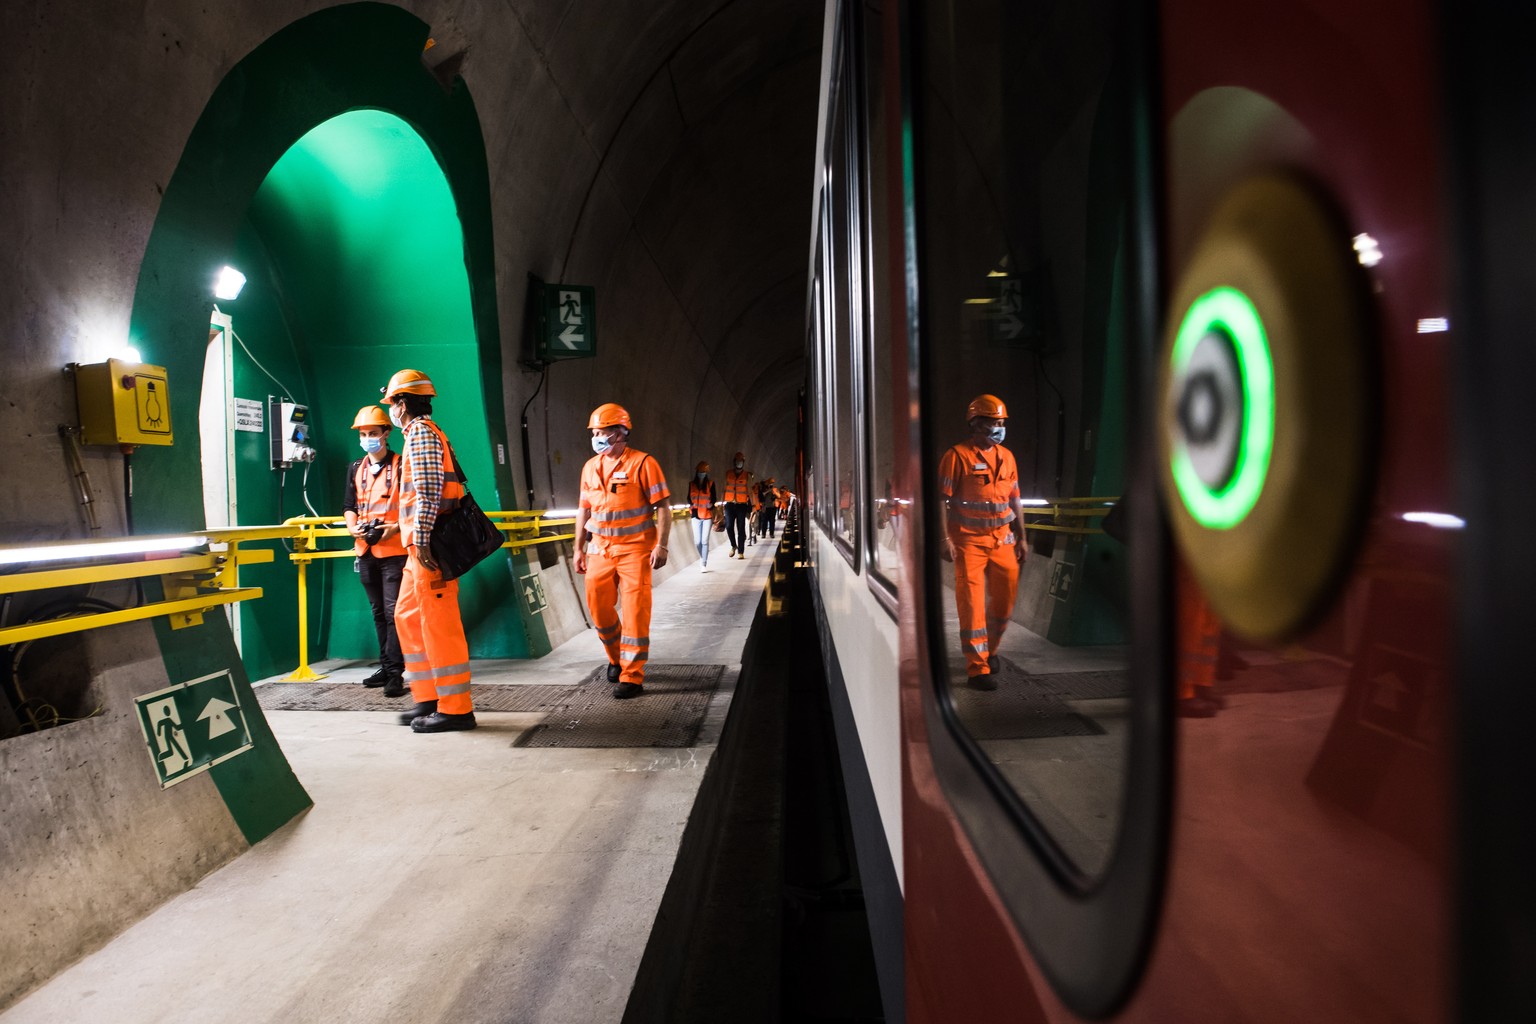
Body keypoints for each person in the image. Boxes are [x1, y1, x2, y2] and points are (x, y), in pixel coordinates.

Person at [380, 369, 476, 732]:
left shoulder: (420, 434)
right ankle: (428, 696)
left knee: (439, 625)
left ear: (402, 404)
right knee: (407, 616)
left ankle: (456, 709)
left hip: (428, 546)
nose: (391, 409)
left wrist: (420, 540)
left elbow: (429, 491)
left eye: (391, 402)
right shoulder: (419, 434)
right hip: (416, 549)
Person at [576, 404, 672, 698]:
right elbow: (583, 509)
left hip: (635, 551)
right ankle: (615, 658)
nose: (595, 438)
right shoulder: (590, 467)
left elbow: (663, 508)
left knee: (634, 613)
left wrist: (662, 544)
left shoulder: (643, 464)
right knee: (598, 608)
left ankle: (632, 676)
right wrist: (577, 547)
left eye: (600, 432)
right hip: (599, 550)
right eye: (593, 433)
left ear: (619, 434)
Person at [939, 394, 1029, 690]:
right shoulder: (956, 456)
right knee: (972, 605)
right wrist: (945, 538)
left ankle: (991, 651)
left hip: (1003, 540)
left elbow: (1016, 500)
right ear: (977, 424)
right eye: (994, 422)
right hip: (969, 542)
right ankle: (977, 668)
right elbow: (941, 500)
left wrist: (1023, 538)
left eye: (1002, 422)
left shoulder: (1008, 457)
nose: (1000, 427)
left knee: (1004, 603)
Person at [343, 405, 408, 699]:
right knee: (379, 612)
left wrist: (394, 527)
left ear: (386, 433)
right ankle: (385, 666)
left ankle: (396, 673)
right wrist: (352, 527)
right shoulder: (356, 468)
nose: (368, 438)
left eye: (373, 433)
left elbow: (413, 504)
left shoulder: (402, 464)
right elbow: (349, 506)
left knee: (395, 612)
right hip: (365, 550)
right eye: (364, 434)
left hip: (394, 550)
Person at [688, 461, 718, 572]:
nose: (702, 474)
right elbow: (688, 497)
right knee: (697, 541)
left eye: (704, 472)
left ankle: (703, 563)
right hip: (695, 515)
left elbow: (714, 497)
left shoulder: (710, 484)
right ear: (697, 472)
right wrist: (692, 504)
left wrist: (711, 504)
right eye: (700, 472)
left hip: (707, 515)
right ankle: (702, 556)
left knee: (704, 540)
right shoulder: (691, 484)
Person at [722, 451, 752, 559]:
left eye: (741, 461)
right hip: (729, 504)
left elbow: (750, 492)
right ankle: (733, 545)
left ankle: (741, 551)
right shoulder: (728, 474)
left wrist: (752, 507)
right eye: (738, 461)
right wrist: (721, 504)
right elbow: (723, 489)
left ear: (743, 462)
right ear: (734, 462)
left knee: (741, 528)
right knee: (729, 526)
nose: (739, 463)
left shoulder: (746, 475)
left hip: (741, 505)